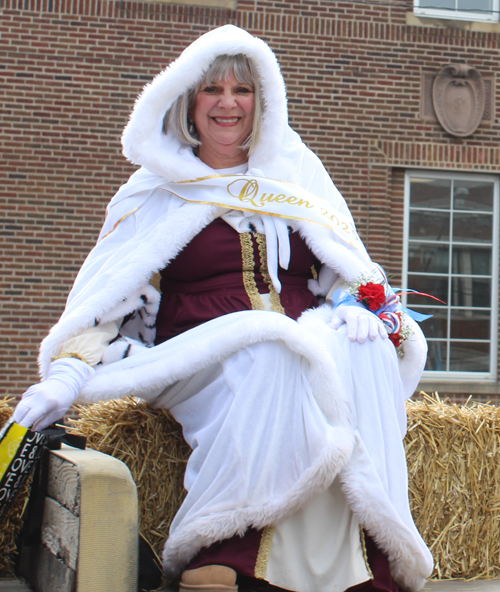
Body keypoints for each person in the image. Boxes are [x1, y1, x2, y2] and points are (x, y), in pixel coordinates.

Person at [13, 25, 433, 592]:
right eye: (213, 90)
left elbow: (343, 265)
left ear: (265, 101)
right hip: (199, 346)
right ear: (189, 101)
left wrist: (354, 304)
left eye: (243, 90)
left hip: (298, 333)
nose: (228, 103)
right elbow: (106, 298)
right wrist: (67, 373)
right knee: (271, 354)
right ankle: (229, 551)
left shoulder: (296, 176)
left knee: (361, 354)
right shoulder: (155, 192)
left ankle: (369, 565)